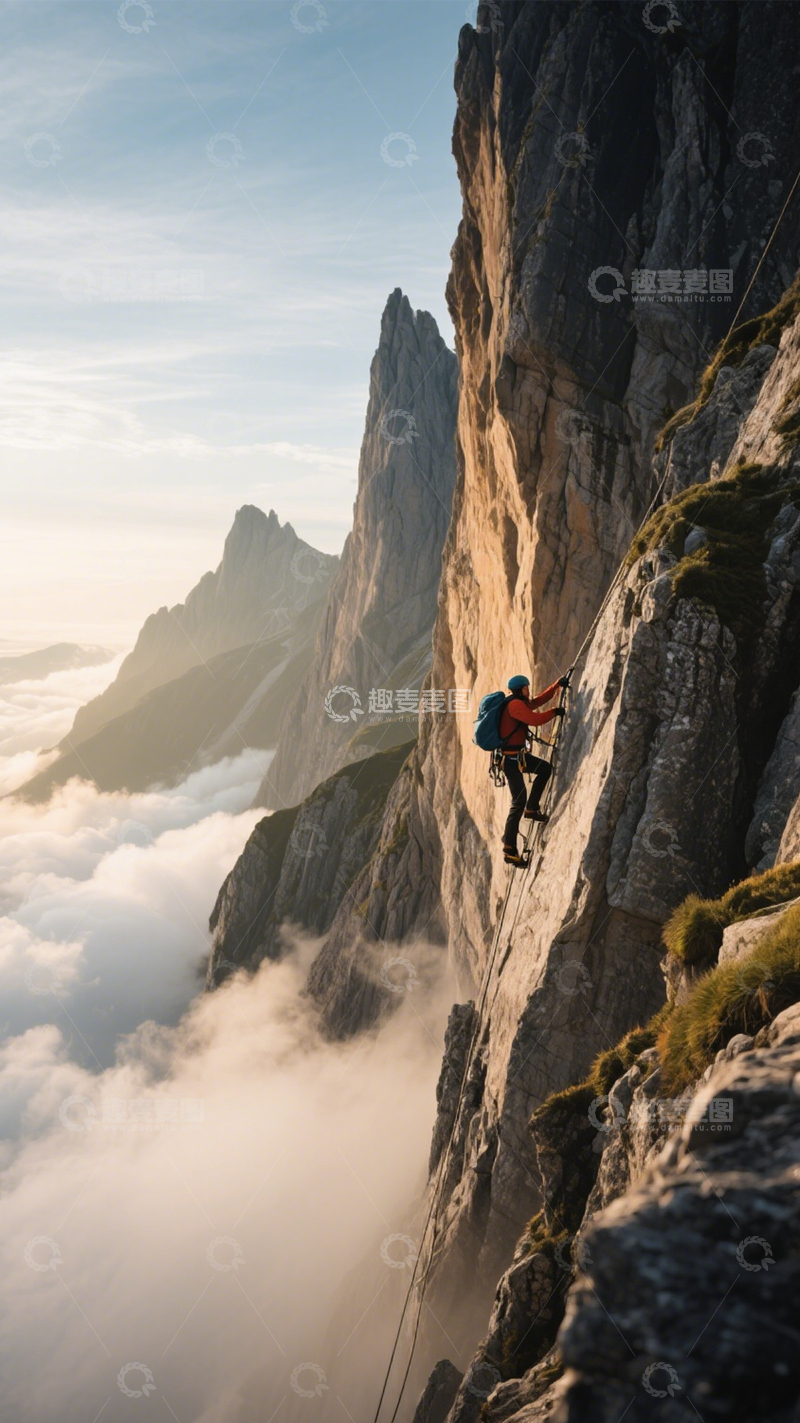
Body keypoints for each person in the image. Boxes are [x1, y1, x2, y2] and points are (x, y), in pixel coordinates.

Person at [500, 674, 568, 866]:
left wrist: (556, 685)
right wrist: (555, 712)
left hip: (516, 757)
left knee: (544, 769)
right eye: (527, 688)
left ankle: (531, 809)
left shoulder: (517, 703)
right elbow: (535, 720)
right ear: (521, 689)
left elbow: (536, 702)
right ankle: (509, 849)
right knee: (517, 801)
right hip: (512, 761)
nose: (529, 691)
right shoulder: (515, 706)